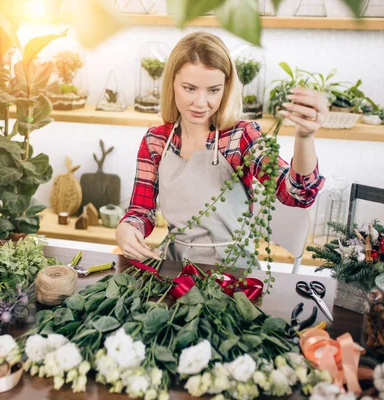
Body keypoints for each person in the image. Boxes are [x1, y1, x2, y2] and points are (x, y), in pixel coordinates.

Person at [116, 32, 327, 266]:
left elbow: (297, 193)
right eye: (190, 88)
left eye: (213, 90)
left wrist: (305, 137)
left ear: (226, 88)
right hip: (175, 268)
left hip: (233, 274)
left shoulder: (240, 138)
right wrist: (127, 228)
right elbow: (140, 210)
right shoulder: (155, 141)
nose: (200, 102)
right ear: (172, 84)